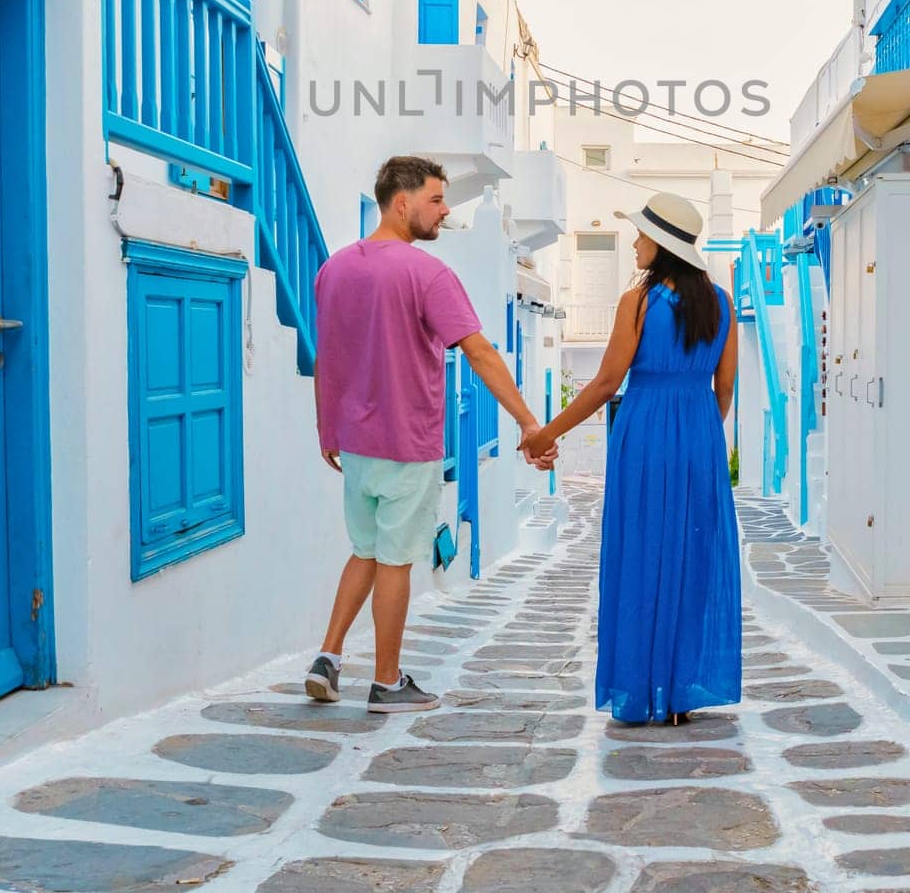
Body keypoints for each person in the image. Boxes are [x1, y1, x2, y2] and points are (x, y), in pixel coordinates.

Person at [305, 155, 555, 714]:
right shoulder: (427, 274)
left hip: (354, 443)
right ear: (402, 203)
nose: (444, 212)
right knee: (395, 560)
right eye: (436, 200)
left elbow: (328, 355)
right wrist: (526, 420)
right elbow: (479, 350)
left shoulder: (335, 269)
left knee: (364, 551)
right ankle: (387, 683)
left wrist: (327, 426)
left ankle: (328, 656)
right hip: (406, 441)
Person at [525, 191, 740, 725]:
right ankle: (682, 693)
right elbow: (726, 386)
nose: (635, 242)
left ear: (663, 244)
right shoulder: (721, 302)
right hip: (699, 436)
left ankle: (643, 687)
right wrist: (700, 433)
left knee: (642, 551)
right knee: (692, 557)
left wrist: (545, 433)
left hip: (644, 434)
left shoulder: (638, 303)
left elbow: (604, 383)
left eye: (642, 234)